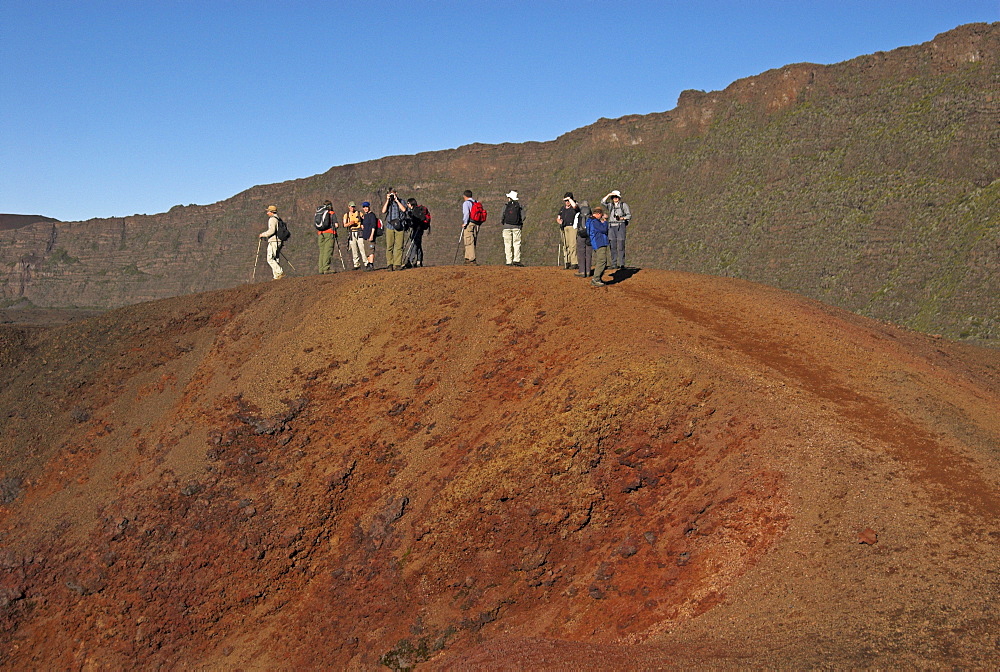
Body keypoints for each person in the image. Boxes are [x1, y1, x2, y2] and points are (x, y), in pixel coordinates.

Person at [601, 189, 632, 269]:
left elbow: (629, 216)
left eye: (616, 197)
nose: (615, 198)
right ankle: (614, 263)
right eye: (613, 197)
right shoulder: (610, 205)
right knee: (612, 245)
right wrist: (608, 195)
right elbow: (602, 202)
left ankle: (622, 264)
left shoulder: (624, 205)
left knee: (621, 245)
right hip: (611, 226)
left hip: (620, 226)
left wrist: (621, 218)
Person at [382, 188, 408, 271]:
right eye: (391, 194)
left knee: (399, 246)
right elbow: (383, 211)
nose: (392, 195)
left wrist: (397, 201)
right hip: (390, 226)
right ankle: (390, 264)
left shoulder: (402, 201)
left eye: (393, 194)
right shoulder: (388, 203)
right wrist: (387, 200)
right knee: (389, 246)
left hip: (400, 226)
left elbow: (404, 209)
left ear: (396, 193)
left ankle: (397, 264)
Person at [586, 205, 610, 287]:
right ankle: (596, 279)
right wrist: (605, 221)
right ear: (599, 214)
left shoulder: (590, 220)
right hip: (599, 242)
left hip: (596, 242)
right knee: (602, 261)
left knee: (601, 260)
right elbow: (604, 229)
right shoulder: (595, 222)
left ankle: (598, 278)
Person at [259, 205, 284, 280]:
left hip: (274, 241)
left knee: (270, 258)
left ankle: (279, 272)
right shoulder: (278, 219)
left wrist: (263, 235)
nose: (267, 213)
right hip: (279, 240)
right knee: (275, 258)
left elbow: (272, 230)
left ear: (272, 212)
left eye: (268, 211)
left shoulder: (272, 219)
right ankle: (276, 276)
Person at [500, 190, 525, 266]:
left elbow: (502, 215)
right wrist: (519, 223)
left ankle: (508, 261)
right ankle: (516, 260)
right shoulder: (519, 206)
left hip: (506, 227)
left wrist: (504, 223)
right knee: (516, 243)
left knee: (507, 244)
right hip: (516, 227)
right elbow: (523, 216)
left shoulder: (506, 205)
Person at [404, 197, 430, 267]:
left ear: (411, 203)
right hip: (418, 229)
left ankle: (410, 261)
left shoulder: (415, 210)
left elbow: (422, 218)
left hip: (418, 229)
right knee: (418, 245)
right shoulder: (415, 210)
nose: (407, 204)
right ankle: (419, 261)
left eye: (408, 203)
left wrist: (417, 225)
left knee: (414, 244)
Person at [557, 192, 580, 270]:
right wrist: (559, 221)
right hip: (564, 227)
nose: (567, 202)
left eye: (568, 200)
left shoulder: (574, 207)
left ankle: (574, 262)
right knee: (565, 245)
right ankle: (567, 261)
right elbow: (558, 217)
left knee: (572, 245)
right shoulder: (562, 208)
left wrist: (570, 199)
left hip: (572, 227)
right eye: (565, 200)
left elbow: (575, 207)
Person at [314, 199, 337, 274]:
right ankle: (326, 269)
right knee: (328, 250)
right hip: (329, 233)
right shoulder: (331, 213)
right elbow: (336, 225)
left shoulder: (319, 213)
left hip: (320, 234)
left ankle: (321, 269)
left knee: (322, 251)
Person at [343, 201, 365, 269]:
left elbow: (364, 220)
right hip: (351, 232)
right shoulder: (346, 215)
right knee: (354, 249)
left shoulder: (359, 213)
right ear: (349, 207)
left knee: (362, 248)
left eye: (353, 207)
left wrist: (362, 225)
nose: (352, 208)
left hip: (359, 232)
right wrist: (350, 223)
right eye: (351, 207)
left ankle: (366, 262)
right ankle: (356, 264)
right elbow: (344, 225)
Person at [461, 190, 480, 265]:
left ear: (464, 196)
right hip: (476, 223)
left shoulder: (466, 203)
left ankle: (471, 259)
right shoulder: (476, 202)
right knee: (472, 240)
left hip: (470, 223)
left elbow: (466, 213)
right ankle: (467, 258)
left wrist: (465, 223)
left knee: (468, 240)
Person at [575, 199, 593, 277]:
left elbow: (575, 226)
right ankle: (588, 271)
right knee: (588, 253)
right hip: (590, 235)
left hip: (581, 234)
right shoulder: (592, 215)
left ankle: (582, 271)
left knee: (581, 252)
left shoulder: (578, 215)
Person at [360, 201, 378, 271]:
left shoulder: (372, 215)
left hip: (370, 235)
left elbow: (374, 226)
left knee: (371, 250)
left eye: (366, 207)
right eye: (364, 207)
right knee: (367, 251)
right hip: (365, 236)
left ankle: (371, 264)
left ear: (369, 207)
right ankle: (369, 264)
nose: (365, 208)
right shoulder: (365, 216)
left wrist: (372, 235)